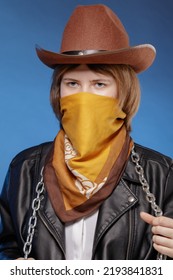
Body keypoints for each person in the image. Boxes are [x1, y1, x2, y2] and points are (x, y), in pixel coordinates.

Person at [0, 4, 173, 260]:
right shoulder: (24, 168)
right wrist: (13, 267)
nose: (84, 97)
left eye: (99, 84)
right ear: (59, 93)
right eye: (72, 83)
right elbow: (7, 247)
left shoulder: (162, 173)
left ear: (123, 95)